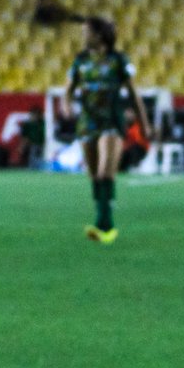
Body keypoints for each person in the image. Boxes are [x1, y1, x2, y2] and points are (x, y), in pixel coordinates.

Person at [60, 17, 151, 243]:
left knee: (104, 173)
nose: (83, 36)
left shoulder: (118, 60)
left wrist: (144, 123)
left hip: (111, 120)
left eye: (86, 32)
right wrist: (66, 106)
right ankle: (102, 214)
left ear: (99, 35)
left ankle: (106, 226)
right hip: (87, 121)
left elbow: (133, 94)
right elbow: (68, 90)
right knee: (93, 176)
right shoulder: (80, 61)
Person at [120, 107, 151, 172]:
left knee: (134, 148)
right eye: (126, 114)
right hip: (128, 148)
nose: (128, 116)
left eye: (130, 114)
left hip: (140, 148)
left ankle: (135, 166)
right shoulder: (124, 126)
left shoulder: (140, 124)